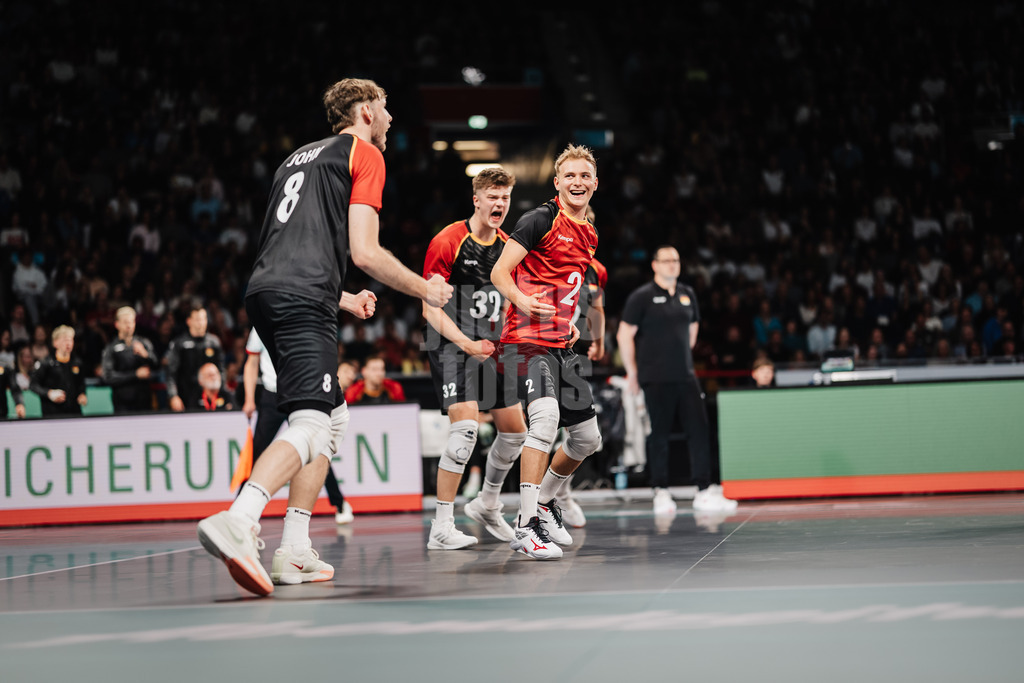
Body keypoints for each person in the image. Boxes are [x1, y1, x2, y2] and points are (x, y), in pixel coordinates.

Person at [196, 77, 452, 597]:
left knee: (331, 418)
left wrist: (344, 299)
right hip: (301, 298)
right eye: (384, 108)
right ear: (363, 112)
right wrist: (426, 289)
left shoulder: (296, 158)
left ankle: (293, 548)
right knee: (311, 420)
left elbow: (291, 248)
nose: (390, 119)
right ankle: (241, 519)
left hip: (268, 292)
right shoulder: (364, 153)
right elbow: (365, 253)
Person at [490, 143, 603, 560]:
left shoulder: (590, 231)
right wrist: (521, 300)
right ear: (558, 182)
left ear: (594, 183)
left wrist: (571, 319)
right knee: (546, 418)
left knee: (587, 439)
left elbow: (566, 282)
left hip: (560, 341)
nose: (577, 182)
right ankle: (525, 526)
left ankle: (544, 501)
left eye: (584, 176)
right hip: (525, 339)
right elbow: (500, 271)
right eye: (569, 176)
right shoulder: (540, 218)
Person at [420, 167, 529, 550]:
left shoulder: (508, 248)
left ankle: (486, 503)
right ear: (476, 200)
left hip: (491, 348)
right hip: (450, 343)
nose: (499, 204)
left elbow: (514, 303)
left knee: (515, 432)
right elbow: (429, 310)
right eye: (493, 197)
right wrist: (466, 343)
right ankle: (442, 526)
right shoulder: (448, 241)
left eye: (505, 198)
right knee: (465, 432)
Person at [617, 245, 738, 515]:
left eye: (676, 260)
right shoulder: (642, 297)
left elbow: (693, 331)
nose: (673, 264)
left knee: (699, 430)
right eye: (667, 260)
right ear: (655, 265)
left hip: (685, 374)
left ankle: (704, 492)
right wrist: (633, 371)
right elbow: (624, 335)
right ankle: (660, 491)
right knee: (658, 433)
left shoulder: (687, 294)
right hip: (654, 377)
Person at [242, 328, 355, 525]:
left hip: (300, 392)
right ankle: (241, 512)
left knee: (317, 449)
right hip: (271, 394)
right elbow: (251, 364)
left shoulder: (301, 317)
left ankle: (340, 504)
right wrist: (249, 399)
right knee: (256, 452)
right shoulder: (258, 324)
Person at [165, 305, 224, 412]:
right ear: (189, 321)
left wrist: (223, 395)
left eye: (203, 319)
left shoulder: (214, 342)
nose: (201, 323)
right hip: (186, 396)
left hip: (210, 398)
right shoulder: (180, 343)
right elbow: (171, 373)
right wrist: (173, 396)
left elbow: (221, 371)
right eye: (197, 319)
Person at [101, 306, 158, 412]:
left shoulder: (144, 343)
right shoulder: (111, 348)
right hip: (122, 404)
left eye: (131, 322)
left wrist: (145, 355)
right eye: (125, 322)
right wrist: (135, 375)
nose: (129, 325)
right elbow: (108, 377)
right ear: (117, 324)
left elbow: (156, 367)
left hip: (144, 402)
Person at [29, 325, 87, 417]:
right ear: (55, 343)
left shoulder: (77, 362)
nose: (68, 343)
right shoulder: (46, 363)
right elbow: (33, 385)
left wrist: (82, 394)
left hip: (74, 413)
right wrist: (49, 393)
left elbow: (81, 384)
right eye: (64, 340)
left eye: (70, 339)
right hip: (52, 414)